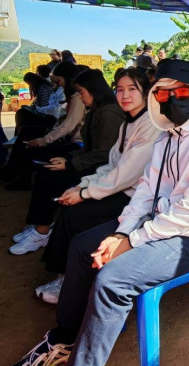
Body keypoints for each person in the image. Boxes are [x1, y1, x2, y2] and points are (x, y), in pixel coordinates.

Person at [6, 60, 189, 366]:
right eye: (163, 93)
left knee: (112, 280)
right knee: (83, 245)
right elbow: (146, 191)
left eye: (182, 92)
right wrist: (121, 233)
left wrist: (132, 241)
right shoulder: (167, 136)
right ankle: (66, 337)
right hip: (159, 223)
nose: (173, 99)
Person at [33, 68, 158, 304]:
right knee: (70, 206)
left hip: (138, 197)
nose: (125, 95)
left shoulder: (151, 124)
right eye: (119, 89)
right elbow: (112, 164)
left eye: (132, 89)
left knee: (76, 215)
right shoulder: (128, 123)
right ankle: (64, 275)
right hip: (122, 188)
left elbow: (126, 174)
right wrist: (83, 185)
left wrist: (86, 193)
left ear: (145, 93)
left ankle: (68, 280)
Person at [9, 69, 125, 255]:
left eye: (81, 91)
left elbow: (104, 154)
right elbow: (90, 149)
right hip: (93, 162)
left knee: (50, 179)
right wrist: (68, 159)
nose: (79, 96)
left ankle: (42, 231)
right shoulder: (97, 110)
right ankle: (39, 224)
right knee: (46, 170)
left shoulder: (109, 114)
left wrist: (71, 164)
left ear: (94, 90)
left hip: (104, 169)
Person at [0, 62, 86, 189]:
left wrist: (44, 140)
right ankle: (12, 171)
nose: (58, 85)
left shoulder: (78, 98)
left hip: (74, 142)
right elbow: (65, 122)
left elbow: (68, 126)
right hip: (66, 136)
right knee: (26, 132)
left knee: (30, 148)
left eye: (59, 81)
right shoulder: (72, 97)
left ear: (68, 78)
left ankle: (20, 178)